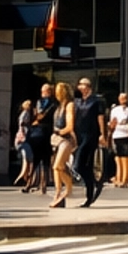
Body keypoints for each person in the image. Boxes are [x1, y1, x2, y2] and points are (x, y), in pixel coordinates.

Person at [72, 77, 106, 208]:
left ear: (88, 87)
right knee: (83, 167)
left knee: (81, 163)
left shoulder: (96, 101)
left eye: (82, 85)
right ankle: (91, 186)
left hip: (90, 135)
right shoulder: (78, 101)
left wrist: (103, 134)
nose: (80, 87)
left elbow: (100, 118)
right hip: (79, 134)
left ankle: (91, 186)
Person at [49, 81, 76, 209]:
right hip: (59, 138)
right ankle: (59, 192)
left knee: (58, 165)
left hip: (66, 139)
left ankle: (66, 190)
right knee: (57, 167)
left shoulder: (69, 105)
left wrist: (60, 131)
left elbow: (70, 126)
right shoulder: (60, 106)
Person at [26, 82, 56, 196]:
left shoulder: (45, 103)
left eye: (44, 91)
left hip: (41, 132)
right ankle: (41, 184)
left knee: (40, 160)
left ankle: (35, 183)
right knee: (43, 160)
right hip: (44, 133)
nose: (43, 93)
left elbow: (39, 115)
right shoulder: (52, 103)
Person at [109, 93, 128, 187]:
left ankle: (126, 178)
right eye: (122, 98)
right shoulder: (115, 110)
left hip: (127, 134)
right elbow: (112, 123)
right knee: (118, 157)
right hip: (117, 135)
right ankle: (119, 177)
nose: (124, 100)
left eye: (125, 98)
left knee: (126, 156)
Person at [13, 98, 35, 190]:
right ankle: (22, 177)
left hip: (21, 139)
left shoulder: (24, 114)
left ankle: (24, 177)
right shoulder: (25, 114)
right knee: (28, 159)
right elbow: (22, 124)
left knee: (26, 159)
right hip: (23, 139)